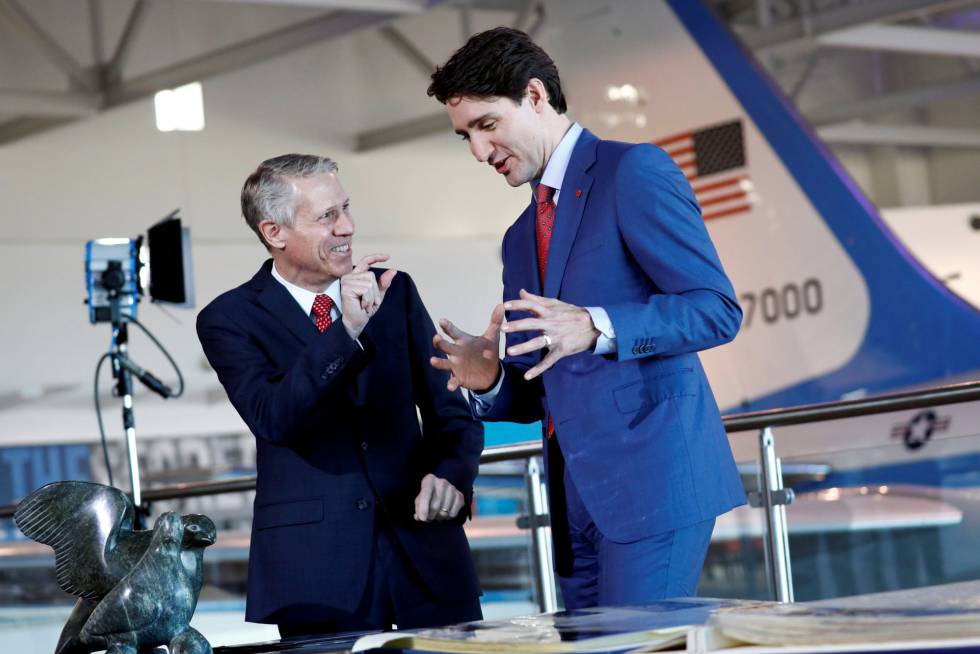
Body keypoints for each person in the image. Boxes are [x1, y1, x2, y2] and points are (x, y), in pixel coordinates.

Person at [426, 27, 746, 608]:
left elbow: (715, 310)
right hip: (573, 502)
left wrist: (596, 325)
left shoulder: (634, 172)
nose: (478, 151)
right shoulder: (520, 237)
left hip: (653, 483)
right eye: (464, 135)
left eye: (487, 125)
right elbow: (535, 390)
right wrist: (491, 376)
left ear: (535, 95)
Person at [196, 154, 483, 636]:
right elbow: (275, 417)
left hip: (429, 563)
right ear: (274, 232)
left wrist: (452, 475)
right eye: (327, 217)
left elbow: (452, 413)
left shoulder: (394, 292)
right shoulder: (229, 319)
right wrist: (346, 330)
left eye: (346, 208)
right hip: (316, 578)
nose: (347, 227)